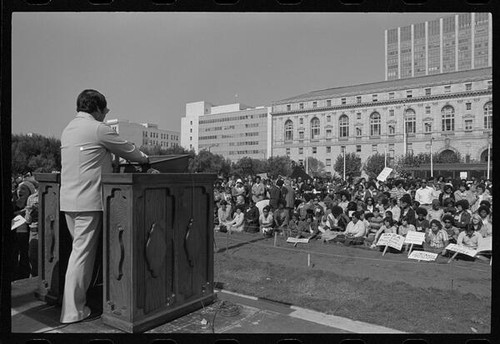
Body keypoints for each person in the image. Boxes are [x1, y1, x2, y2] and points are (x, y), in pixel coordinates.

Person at [59, 89, 149, 324]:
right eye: (105, 108)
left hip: (69, 201)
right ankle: (72, 311)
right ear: (97, 108)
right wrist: (144, 158)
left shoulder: (68, 129)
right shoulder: (98, 128)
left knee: (78, 254)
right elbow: (131, 152)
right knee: (81, 256)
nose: (107, 112)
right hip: (88, 201)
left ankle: (77, 304)